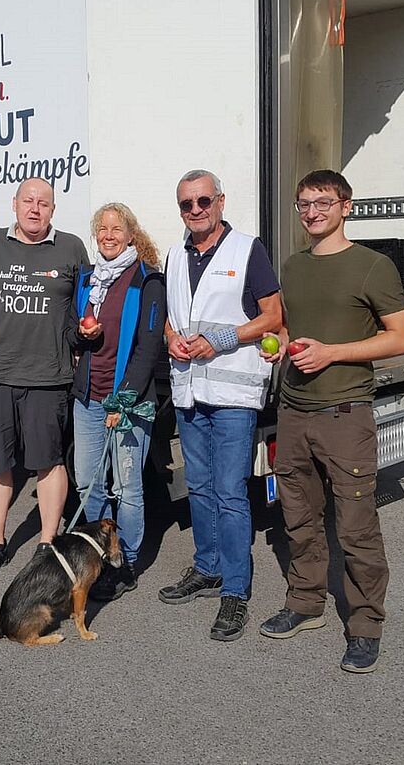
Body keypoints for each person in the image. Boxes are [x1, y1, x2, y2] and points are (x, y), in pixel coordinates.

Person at [257, 168, 404, 674]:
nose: (313, 212)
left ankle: (366, 625)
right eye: (304, 204)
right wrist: (279, 346)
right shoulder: (293, 266)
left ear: (346, 206)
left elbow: (400, 338)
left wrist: (332, 353)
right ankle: (305, 603)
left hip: (345, 413)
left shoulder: (372, 267)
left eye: (323, 202)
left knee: (356, 526)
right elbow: (291, 329)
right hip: (294, 411)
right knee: (298, 517)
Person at [160, 169, 282, 641]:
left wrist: (222, 339)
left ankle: (235, 590)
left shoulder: (247, 249)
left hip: (233, 395)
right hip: (190, 390)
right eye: (186, 203)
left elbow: (272, 316)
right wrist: (171, 338)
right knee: (200, 487)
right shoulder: (175, 255)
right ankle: (207, 568)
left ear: (220, 201)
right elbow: (172, 317)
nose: (195, 210)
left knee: (230, 493)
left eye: (203, 201)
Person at [0, 178, 89, 579]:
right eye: (28, 201)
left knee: (49, 462)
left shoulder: (71, 248)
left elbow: (85, 306)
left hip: (49, 377)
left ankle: (48, 544)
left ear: (53, 209)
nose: (35, 209)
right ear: (14, 204)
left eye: (43, 203)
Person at [70, 203, 166, 601]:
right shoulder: (88, 279)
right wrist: (81, 335)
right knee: (87, 483)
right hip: (88, 398)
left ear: (130, 235)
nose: (109, 235)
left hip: (128, 402)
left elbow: (149, 347)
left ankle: (124, 563)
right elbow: (71, 335)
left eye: (116, 229)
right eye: (103, 229)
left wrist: (121, 401)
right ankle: (99, 554)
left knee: (126, 488)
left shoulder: (147, 280)